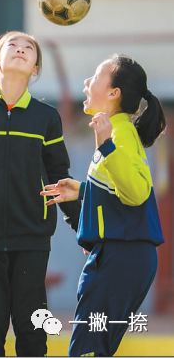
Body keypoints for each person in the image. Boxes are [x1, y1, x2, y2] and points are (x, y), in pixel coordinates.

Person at [0, 31, 81, 357]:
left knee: (32, 326)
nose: (21, 50)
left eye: (29, 49)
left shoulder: (46, 118)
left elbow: (59, 177)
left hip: (32, 238)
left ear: (35, 68)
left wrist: (83, 228)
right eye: (13, 46)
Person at [41, 55, 166, 357]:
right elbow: (121, 193)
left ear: (114, 93)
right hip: (119, 255)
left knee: (87, 349)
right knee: (93, 348)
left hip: (121, 255)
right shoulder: (117, 131)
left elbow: (136, 192)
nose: (86, 83)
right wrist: (84, 193)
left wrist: (107, 145)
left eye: (95, 77)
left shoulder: (117, 134)